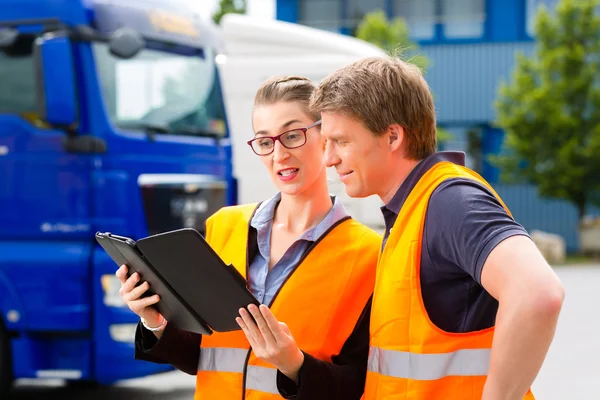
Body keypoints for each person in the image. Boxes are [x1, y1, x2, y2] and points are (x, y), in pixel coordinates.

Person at [309, 57, 565, 400]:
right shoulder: (413, 209)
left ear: (393, 136)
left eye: (340, 141)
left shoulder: (449, 202)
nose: (328, 158)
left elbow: (539, 293)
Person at [116, 76, 381, 400]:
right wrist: (154, 320)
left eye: (293, 135)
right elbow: (201, 356)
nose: (278, 154)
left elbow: (359, 385)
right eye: (265, 142)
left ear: (324, 136)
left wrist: (295, 365)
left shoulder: (368, 255)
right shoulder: (223, 226)